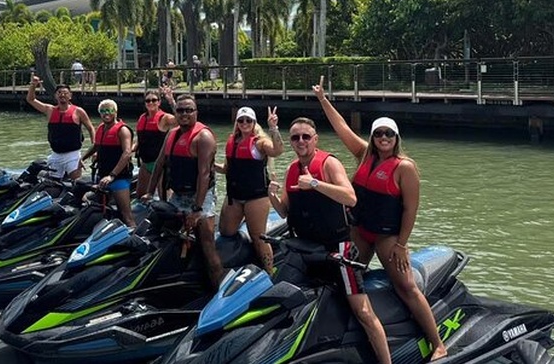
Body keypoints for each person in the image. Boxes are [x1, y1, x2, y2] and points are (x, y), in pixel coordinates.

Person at [313, 75, 447, 361]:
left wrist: (401, 244)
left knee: (406, 286)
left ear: (396, 138)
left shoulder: (405, 168)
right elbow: (342, 129)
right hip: (361, 230)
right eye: (378, 134)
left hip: (387, 237)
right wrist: (323, 99)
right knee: (342, 279)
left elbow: (411, 209)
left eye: (389, 134)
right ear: (373, 137)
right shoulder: (364, 155)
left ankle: (437, 343)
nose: (383, 138)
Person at [269, 117, 392, 364]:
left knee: (363, 312)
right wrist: (271, 195)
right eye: (295, 137)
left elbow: (350, 197)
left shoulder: (328, 163)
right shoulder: (292, 169)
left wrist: (315, 183)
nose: (301, 141)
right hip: (306, 250)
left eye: (306, 136)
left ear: (315, 140)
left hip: (337, 251)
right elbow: (284, 211)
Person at [146, 94, 222, 285]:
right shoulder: (172, 134)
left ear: (196, 112)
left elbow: (204, 174)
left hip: (200, 196)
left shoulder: (203, 137)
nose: (184, 114)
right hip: (179, 194)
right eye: (180, 110)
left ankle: (218, 287)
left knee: (206, 244)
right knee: (165, 232)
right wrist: (149, 191)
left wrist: (197, 210)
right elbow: (160, 163)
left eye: (189, 110)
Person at [213, 106, 283, 274]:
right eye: (241, 120)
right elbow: (225, 168)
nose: (245, 123)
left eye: (248, 120)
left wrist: (273, 128)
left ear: (253, 123)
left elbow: (278, 151)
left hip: (255, 197)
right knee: (225, 231)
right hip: (235, 197)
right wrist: (209, 164)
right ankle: (243, 256)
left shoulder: (260, 143)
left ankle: (269, 271)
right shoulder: (232, 142)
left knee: (259, 238)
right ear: (237, 123)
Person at [27, 76, 95, 180]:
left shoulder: (78, 111)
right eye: (59, 93)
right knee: (52, 183)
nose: (62, 95)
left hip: (73, 155)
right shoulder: (49, 110)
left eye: (65, 93)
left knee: (75, 183)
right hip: (56, 154)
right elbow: (31, 100)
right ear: (55, 96)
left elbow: (91, 128)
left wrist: (94, 149)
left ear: (70, 96)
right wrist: (33, 85)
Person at [81, 99, 135, 227]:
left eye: (109, 110)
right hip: (103, 176)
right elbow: (96, 146)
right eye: (103, 111)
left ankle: (135, 237)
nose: (106, 113)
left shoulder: (123, 130)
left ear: (115, 112)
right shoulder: (101, 128)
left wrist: (112, 175)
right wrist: (82, 159)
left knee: (126, 215)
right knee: (89, 202)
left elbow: (127, 153)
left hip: (118, 178)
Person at [134, 87, 177, 199]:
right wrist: (128, 151)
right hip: (146, 163)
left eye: (154, 100)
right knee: (140, 196)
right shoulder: (142, 118)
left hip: (161, 165)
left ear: (159, 102)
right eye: (148, 100)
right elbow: (139, 141)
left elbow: (181, 119)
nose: (151, 103)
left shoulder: (164, 118)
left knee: (164, 198)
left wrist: (171, 101)